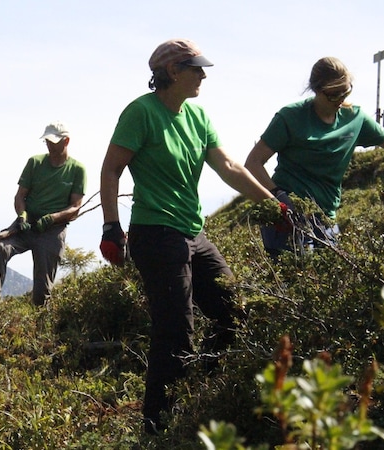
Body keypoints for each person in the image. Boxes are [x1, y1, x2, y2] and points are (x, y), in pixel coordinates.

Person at [98, 39, 275, 434]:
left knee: (233, 313)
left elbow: (228, 166)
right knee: (175, 331)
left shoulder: (197, 115)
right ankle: (157, 427)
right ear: (172, 72)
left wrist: (273, 204)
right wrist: (112, 226)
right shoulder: (141, 112)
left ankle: (198, 389)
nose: (203, 74)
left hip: (192, 233)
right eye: (195, 68)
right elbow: (111, 169)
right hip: (156, 234)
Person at [245, 56, 384, 256]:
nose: (341, 99)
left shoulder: (355, 117)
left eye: (346, 91)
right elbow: (253, 162)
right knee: (295, 283)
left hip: (327, 219)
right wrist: (279, 197)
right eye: (334, 95)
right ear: (317, 90)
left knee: (330, 278)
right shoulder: (291, 117)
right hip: (287, 220)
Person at [0, 121, 87, 306]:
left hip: (53, 230)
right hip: (27, 223)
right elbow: (20, 196)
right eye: (47, 141)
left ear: (66, 141)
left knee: (42, 289)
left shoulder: (77, 169)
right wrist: (22, 215)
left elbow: (75, 207)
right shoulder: (35, 163)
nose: (50, 145)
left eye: (54, 141)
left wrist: (52, 218)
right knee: (0, 245)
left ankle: (39, 319)